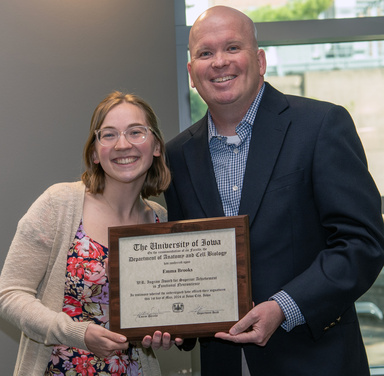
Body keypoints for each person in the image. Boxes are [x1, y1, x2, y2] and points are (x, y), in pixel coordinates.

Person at [164, 6, 384, 376]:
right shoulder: (177, 155)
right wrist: (171, 324)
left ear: (260, 60)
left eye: (232, 48)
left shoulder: (320, 126)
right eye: (205, 53)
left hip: (317, 361)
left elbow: (362, 242)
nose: (219, 62)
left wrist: (285, 306)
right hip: (225, 365)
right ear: (191, 72)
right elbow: (187, 262)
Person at [0, 91, 179, 376]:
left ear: (156, 145)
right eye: (108, 135)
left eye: (136, 132)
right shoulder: (59, 204)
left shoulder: (162, 221)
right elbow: (9, 294)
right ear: (95, 152)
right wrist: (76, 333)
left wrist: (168, 329)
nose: (123, 144)